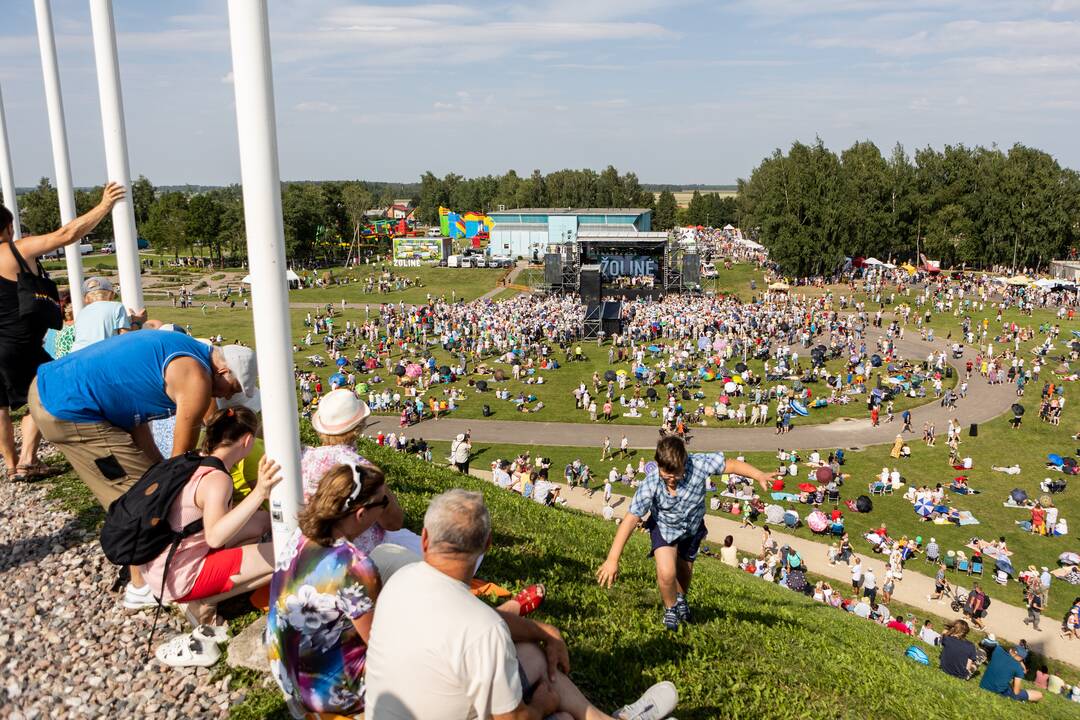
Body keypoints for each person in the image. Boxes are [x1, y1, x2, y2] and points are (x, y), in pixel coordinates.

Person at [365, 489, 679, 720]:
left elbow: (471, 617)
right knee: (562, 718)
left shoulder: (398, 580)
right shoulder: (482, 631)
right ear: (486, 546)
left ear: (423, 538)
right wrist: (544, 704)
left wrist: (544, 630)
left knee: (530, 652)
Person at [27, 330, 256, 608]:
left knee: (151, 480)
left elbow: (136, 417)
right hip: (67, 406)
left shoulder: (187, 351)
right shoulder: (196, 379)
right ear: (222, 370)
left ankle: (150, 570)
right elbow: (179, 463)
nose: (229, 395)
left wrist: (158, 469)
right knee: (141, 496)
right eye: (234, 388)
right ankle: (142, 587)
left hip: (53, 387)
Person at [0, 183, 124, 482]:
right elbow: (66, 235)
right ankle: (28, 461)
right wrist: (104, 206)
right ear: (7, 227)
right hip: (20, 342)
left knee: (1, 406)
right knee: (40, 393)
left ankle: (10, 463)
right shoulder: (15, 250)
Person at [596, 435, 779, 630]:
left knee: (685, 571)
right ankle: (670, 609)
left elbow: (731, 465)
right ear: (658, 464)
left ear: (685, 462)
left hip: (692, 527)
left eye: (677, 474)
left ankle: (681, 598)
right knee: (667, 573)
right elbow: (631, 518)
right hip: (664, 528)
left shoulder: (698, 464)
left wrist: (758, 474)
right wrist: (613, 559)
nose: (672, 479)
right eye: (666, 474)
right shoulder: (651, 482)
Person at [143, 408, 280, 657]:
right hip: (181, 576)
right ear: (248, 441)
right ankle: (205, 602)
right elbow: (215, 537)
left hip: (159, 564)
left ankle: (213, 588)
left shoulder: (193, 460)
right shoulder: (218, 479)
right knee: (285, 554)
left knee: (260, 521)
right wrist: (260, 492)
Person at [266, 463, 388, 718]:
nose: (385, 506)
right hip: (327, 691)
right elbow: (380, 645)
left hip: (284, 667)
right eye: (382, 502)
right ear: (361, 514)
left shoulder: (301, 534)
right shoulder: (354, 565)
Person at [69, 276, 145, 354]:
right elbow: (125, 339)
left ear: (86, 299)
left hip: (76, 356)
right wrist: (137, 322)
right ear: (111, 295)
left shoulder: (81, 313)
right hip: (99, 356)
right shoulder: (117, 306)